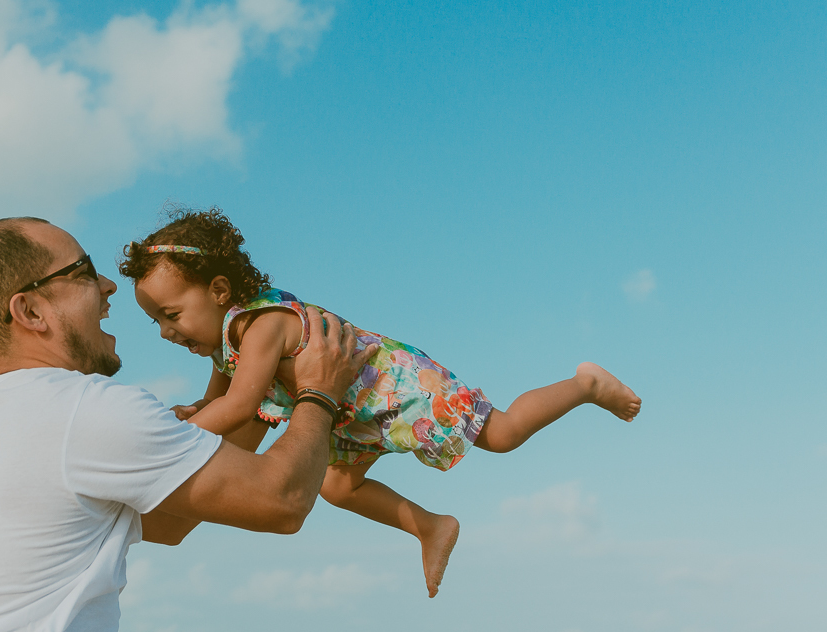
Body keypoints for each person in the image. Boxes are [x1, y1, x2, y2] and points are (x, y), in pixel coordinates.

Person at [118, 206, 643, 598]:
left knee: (500, 435)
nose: (166, 332)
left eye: (171, 313)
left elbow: (235, 409)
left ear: (216, 289)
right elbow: (217, 400)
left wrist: (173, 438)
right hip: (350, 411)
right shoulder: (228, 344)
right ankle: (431, 525)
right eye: (156, 322)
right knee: (337, 486)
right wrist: (192, 411)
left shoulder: (259, 326)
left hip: (396, 387)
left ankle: (585, 385)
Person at [0, 217, 377, 632]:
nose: (109, 286)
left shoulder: (0, 422)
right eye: (84, 273)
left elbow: (168, 525)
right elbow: (284, 502)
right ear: (31, 312)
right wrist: (318, 391)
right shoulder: (86, 410)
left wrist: (255, 390)